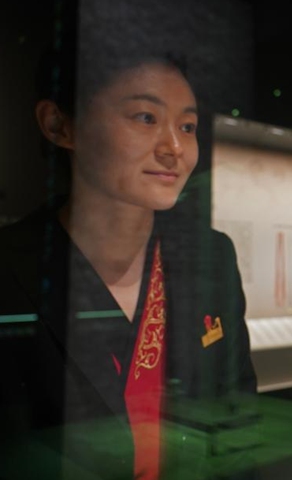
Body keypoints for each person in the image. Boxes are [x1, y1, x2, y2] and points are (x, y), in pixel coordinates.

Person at [0, 40, 257, 480]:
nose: (174, 148)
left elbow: (235, 420)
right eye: (146, 117)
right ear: (59, 124)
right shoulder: (10, 268)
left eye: (189, 126)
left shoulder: (210, 256)